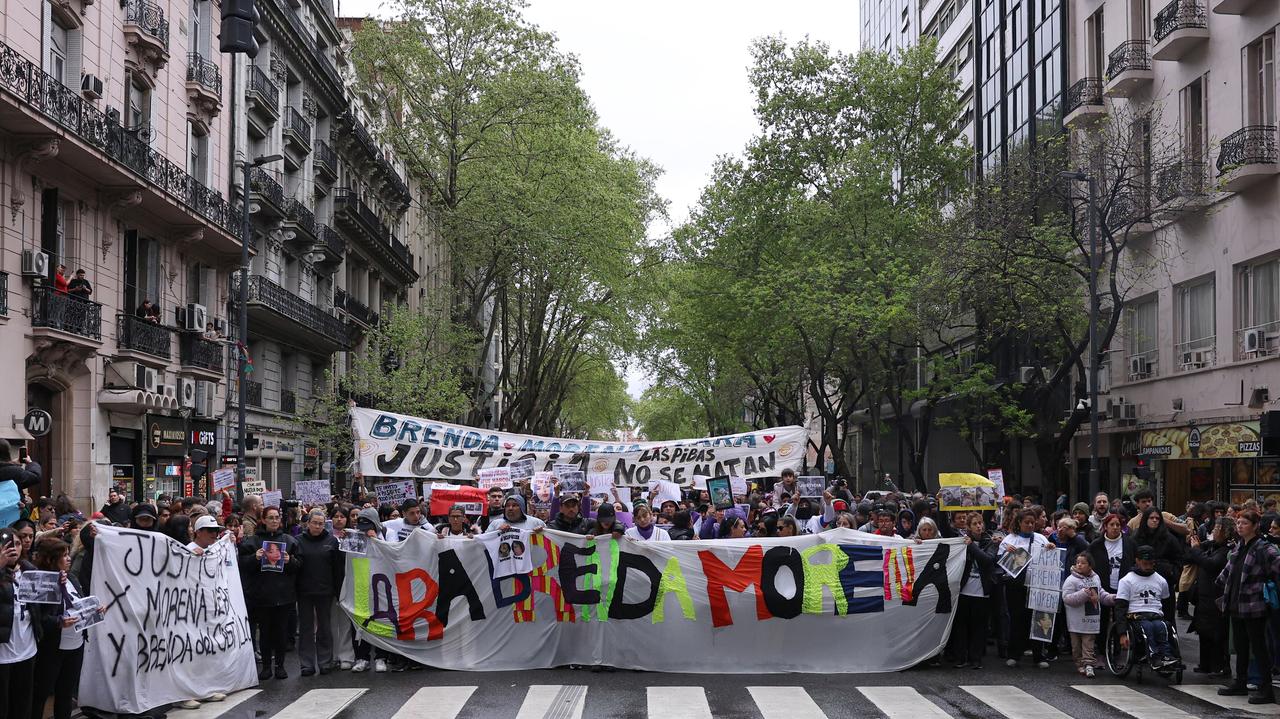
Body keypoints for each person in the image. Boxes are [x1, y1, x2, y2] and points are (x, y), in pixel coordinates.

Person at [1217, 510, 1280, 704]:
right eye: (1238, 523)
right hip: (1236, 603)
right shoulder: (1239, 547)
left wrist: (1265, 587)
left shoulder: (1264, 548)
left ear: (1255, 526)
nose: (1240, 526)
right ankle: (1240, 682)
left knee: (1258, 646)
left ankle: (1266, 688)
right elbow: (1227, 573)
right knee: (1241, 645)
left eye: (1244, 523)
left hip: (1255, 604)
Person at [28, 536, 94, 719]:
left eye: (68, 554)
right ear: (51, 559)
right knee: (41, 693)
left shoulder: (71, 577)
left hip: (75, 644)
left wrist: (93, 609)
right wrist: (58, 621)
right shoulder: (42, 582)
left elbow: (78, 604)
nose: (69, 558)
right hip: (52, 647)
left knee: (65, 693)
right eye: (64, 555)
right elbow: (38, 617)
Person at [238, 505, 300, 680]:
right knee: (264, 632)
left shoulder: (289, 541)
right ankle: (266, 666)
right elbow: (242, 565)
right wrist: (254, 558)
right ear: (263, 520)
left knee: (281, 633)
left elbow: (299, 567)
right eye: (270, 518)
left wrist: (290, 561)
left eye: (277, 517)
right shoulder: (252, 542)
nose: (274, 521)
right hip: (262, 596)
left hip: (283, 596)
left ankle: (280, 666)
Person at [999, 509, 1052, 668]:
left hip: (1037, 585)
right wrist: (1006, 553)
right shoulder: (1010, 540)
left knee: (1039, 618)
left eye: (1032, 522)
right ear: (1019, 523)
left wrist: (1051, 548)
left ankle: (1039, 655)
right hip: (1015, 587)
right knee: (1017, 619)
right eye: (1026, 522)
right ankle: (1014, 654)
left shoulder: (1041, 538)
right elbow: (999, 562)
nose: (1029, 525)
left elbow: (1050, 559)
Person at [1115, 545, 1177, 672]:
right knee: (1147, 627)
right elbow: (1120, 607)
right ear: (1137, 561)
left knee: (1162, 627)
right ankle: (1153, 656)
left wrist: (1169, 619)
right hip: (1136, 615)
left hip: (1155, 614)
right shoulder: (1127, 580)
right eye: (1145, 563)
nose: (1148, 566)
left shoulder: (1161, 580)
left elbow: (1167, 604)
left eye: (1150, 563)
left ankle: (1166, 655)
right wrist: (1121, 633)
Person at [295, 509, 340, 678]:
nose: (317, 526)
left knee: (325, 628)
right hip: (304, 591)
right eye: (314, 523)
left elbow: (337, 568)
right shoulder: (298, 541)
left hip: (325, 591)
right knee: (306, 629)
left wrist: (337, 590)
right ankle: (306, 664)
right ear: (308, 523)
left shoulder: (332, 541)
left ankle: (325, 662)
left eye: (321, 524)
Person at [1187, 516, 1232, 677]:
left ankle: (1220, 666)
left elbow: (1210, 564)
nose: (1213, 531)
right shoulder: (1212, 546)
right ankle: (1205, 663)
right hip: (1204, 596)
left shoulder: (1226, 550)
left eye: (1217, 529)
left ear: (1225, 532)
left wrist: (1196, 549)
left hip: (1216, 597)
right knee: (1203, 631)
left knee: (1217, 634)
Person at [952, 512, 995, 669]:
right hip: (964, 591)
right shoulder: (962, 541)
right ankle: (960, 657)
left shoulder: (989, 542)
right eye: (975, 523)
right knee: (961, 626)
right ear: (968, 527)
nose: (979, 526)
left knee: (979, 627)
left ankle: (975, 658)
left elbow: (987, 560)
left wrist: (971, 546)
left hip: (981, 592)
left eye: (980, 523)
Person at [1062, 552, 1113, 678]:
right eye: (1078, 562)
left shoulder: (1095, 578)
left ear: (1090, 566)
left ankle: (1089, 664)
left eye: (1083, 563)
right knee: (1076, 646)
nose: (1079, 565)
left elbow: (1100, 593)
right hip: (1075, 620)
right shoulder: (1071, 580)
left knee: (1088, 643)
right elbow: (1067, 598)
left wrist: (1112, 598)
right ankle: (1079, 663)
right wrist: (1083, 594)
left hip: (1091, 618)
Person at [1131, 507, 1183, 619]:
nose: (1154, 520)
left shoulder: (1169, 538)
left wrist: (1172, 573)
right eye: (1151, 518)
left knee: (1167, 616)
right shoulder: (1136, 537)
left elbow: (1178, 559)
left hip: (1163, 581)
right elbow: (1130, 557)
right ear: (1145, 519)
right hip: (1140, 582)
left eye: (1157, 518)